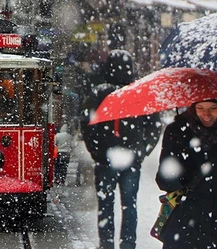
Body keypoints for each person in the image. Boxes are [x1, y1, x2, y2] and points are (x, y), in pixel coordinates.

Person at [80, 50, 161, 249]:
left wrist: (97, 151)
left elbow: (86, 124)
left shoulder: (99, 93)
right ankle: (128, 244)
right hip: (131, 158)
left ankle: (107, 243)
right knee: (129, 204)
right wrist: (142, 150)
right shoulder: (139, 93)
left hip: (107, 158)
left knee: (106, 205)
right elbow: (154, 126)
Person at [156, 97, 217, 249]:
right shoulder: (177, 131)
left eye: (213, 108)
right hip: (185, 222)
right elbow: (164, 181)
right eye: (201, 108)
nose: (206, 114)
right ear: (193, 108)